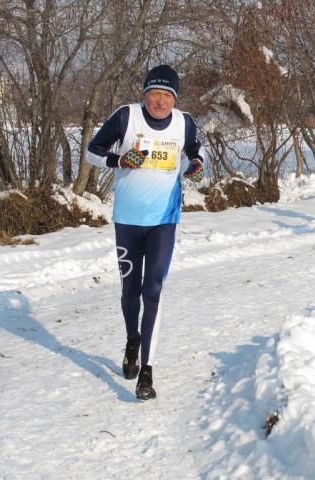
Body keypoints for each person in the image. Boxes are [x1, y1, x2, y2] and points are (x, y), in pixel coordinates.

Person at [86, 64, 204, 400]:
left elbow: (196, 151)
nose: (161, 101)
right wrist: (118, 161)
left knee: (153, 290)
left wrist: (196, 165)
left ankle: (147, 373)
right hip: (127, 220)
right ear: (145, 95)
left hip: (164, 220)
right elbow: (92, 151)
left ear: (174, 99)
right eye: (155, 94)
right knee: (130, 291)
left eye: (167, 95)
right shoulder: (126, 117)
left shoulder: (185, 122)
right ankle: (132, 339)